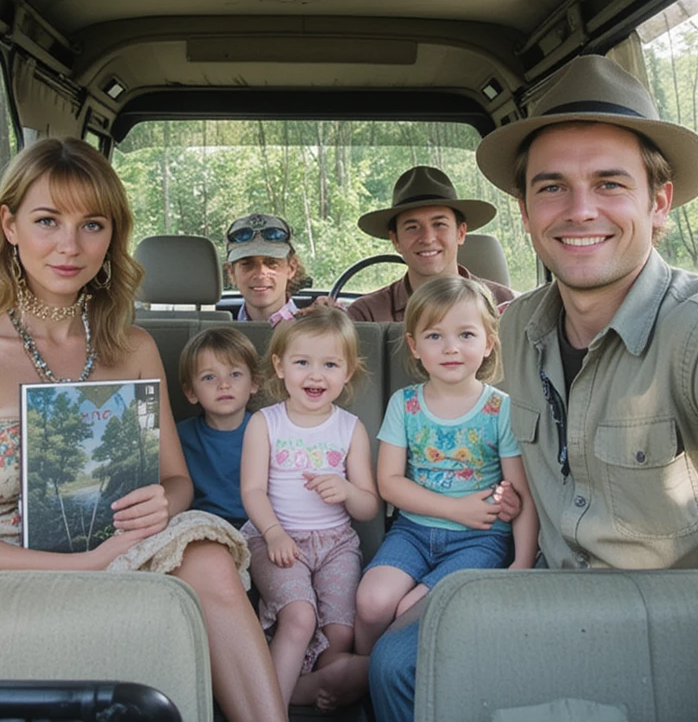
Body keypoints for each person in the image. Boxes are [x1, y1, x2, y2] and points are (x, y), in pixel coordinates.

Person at [368, 53, 698, 721]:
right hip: (545, 595)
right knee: (393, 665)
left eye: (609, 183)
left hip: (682, 626)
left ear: (659, 202)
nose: (580, 210)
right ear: (526, 209)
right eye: (553, 187)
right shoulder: (516, 326)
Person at [0, 137, 287, 722]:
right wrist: (80, 567)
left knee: (205, 553)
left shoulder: (132, 346)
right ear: (10, 224)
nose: (69, 245)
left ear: (112, 238)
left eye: (92, 225)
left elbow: (177, 481)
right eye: (47, 220)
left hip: (119, 548)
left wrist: (160, 506)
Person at [354, 276, 538, 656]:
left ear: (489, 343)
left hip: (481, 539)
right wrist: (456, 509)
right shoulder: (405, 405)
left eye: (466, 335)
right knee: (372, 602)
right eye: (435, 336)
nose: (451, 348)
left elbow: (520, 495)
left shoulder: (499, 409)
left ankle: (376, 677)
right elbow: (388, 483)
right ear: (414, 346)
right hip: (413, 532)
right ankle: (361, 672)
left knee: (410, 610)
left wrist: (521, 561)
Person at [239, 306, 380, 710]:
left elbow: (368, 506)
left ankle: (309, 685)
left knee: (339, 636)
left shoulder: (350, 428)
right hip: (275, 538)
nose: (315, 375)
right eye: (302, 363)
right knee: (299, 619)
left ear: (348, 372)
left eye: (330, 364)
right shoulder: (266, 423)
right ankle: (271, 710)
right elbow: (252, 491)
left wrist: (347, 491)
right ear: (280, 367)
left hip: (336, 544)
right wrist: (274, 533)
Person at [346, 166, 515, 322]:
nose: (427, 238)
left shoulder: (503, 305)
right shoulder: (367, 315)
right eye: (412, 227)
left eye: (439, 224)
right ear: (396, 240)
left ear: (460, 233)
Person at [176, 326, 260, 528]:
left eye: (235, 374)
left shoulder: (269, 431)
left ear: (254, 384)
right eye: (209, 377)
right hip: (202, 527)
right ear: (191, 393)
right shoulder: (179, 436)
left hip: (260, 524)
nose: (223, 384)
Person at [225, 212, 308, 325]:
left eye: (271, 263)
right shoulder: (216, 336)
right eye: (247, 264)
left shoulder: (318, 329)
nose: (260, 274)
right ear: (231, 273)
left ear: (291, 268)